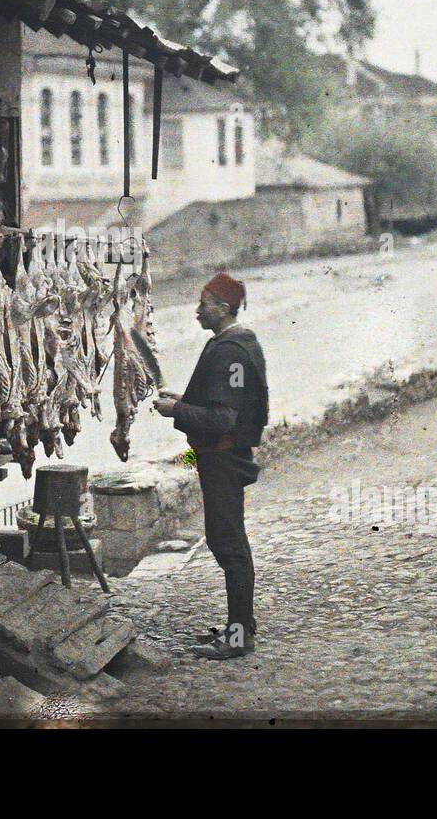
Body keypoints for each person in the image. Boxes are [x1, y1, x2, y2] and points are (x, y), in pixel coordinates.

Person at [154, 272, 269, 660]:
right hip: (224, 455)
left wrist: (176, 410)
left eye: (203, 304)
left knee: (227, 543)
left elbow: (223, 419)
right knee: (230, 540)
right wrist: (184, 400)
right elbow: (224, 403)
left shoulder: (229, 351)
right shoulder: (233, 344)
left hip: (222, 457)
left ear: (222, 308)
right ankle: (242, 625)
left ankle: (239, 637)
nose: (196, 311)